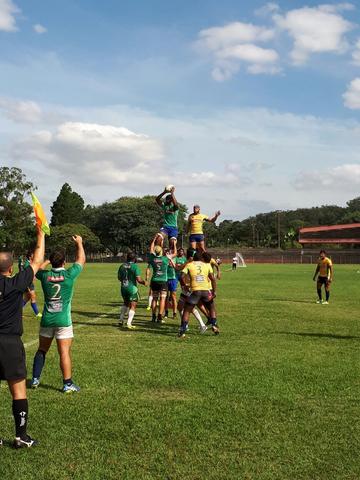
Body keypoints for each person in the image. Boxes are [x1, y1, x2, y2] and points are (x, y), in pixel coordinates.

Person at [0, 226, 44, 448]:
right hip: (10, 343)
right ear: (10, 268)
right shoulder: (16, 283)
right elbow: (37, 260)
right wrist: (41, 233)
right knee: (18, 391)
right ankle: (21, 436)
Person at [31, 235, 85, 393]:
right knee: (64, 352)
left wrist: (47, 260)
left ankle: (35, 379)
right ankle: (67, 384)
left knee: (41, 349)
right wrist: (79, 243)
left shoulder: (45, 276)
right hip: (63, 320)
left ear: (52, 262)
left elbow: (37, 268)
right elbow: (81, 260)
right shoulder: (69, 275)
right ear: (64, 262)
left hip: (47, 319)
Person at [179, 251, 219, 338]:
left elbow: (181, 276)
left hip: (195, 292)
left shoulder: (189, 265)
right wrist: (214, 291)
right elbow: (212, 279)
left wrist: (184, 286)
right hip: (205, 291)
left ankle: (182, 331)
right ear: (201, 258)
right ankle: (214, 326)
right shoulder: (206, 265)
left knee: (187, 310)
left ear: (193, 258)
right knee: (211, 308)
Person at [146, 235, 175, 324]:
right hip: (163, 281)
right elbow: (175, 253)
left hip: (154, 280)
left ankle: (153, 316)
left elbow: (151, 249)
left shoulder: (152, 258)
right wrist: (174, 244)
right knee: (162, 299)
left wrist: (154, 239)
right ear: (161, 251)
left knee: (154, 298)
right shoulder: (165, 259)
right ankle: (160, 316)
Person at [176, 248, 207, 333]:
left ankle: (189, 325)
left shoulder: (189, 263)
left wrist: (185, 285)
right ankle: (190, 325)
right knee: (182, 307)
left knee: (189, 308)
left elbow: (180, 273)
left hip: (188, 288)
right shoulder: (196, 263)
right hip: (191, 287)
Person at [118, 252, 145, 329]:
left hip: (123, 288)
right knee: (133, 305)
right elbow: (139, 280)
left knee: (125, 303)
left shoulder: (122, 266)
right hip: (132, 289)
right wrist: (144, 282)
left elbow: (119, 278)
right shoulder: (135, 266)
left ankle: (121, 319)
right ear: (134, 259)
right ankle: (129, 323)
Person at [18, 252, 42, 319]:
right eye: (33, 255)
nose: (34, 255)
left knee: (28, 297)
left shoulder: (28, 263)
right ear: (30, 257)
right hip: (27, 282)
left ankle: (18, 311)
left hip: (27, 282)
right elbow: (27, 273)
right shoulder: (27, 264)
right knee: (32, 296)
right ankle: (37, 313)